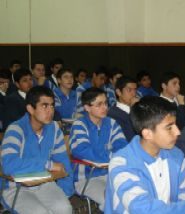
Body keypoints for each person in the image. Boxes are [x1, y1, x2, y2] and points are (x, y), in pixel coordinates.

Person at [105, 96, 185, 214]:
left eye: (175, 125)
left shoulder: (176, 156)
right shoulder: (122, 162)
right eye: (169, 128)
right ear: (148, 134)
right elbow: (142, 209)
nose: (177, 132)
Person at [1, 86, 74, 214]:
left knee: (65, 209)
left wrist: (66, 191)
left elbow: (62, 160)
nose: (50, 111)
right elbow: (9, 165)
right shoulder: (16, 129)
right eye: (44, 106)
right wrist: (47, 164)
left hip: (45, 184)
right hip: (16, 188)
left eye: (52, 106)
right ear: (30, 109)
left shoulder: (54, 129)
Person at [69, 87, 127, 211]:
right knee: (111, 201)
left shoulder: (112, 123)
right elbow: (82, 150)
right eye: (99, 104)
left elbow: (122, 146)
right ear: (87, 107)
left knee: (129, 195)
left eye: (106, 103)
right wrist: (111, 156)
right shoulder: (79, 124)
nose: (105, 107)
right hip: (86, 178)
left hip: (110, 174)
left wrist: (110, 157)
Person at [108, 76, 138, 142]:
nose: (134, 94)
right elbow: (130, 138)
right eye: (129, 90)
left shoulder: (138, 109)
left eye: (135, 90)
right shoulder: (113, 114)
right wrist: (134, 110)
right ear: (118, 92)